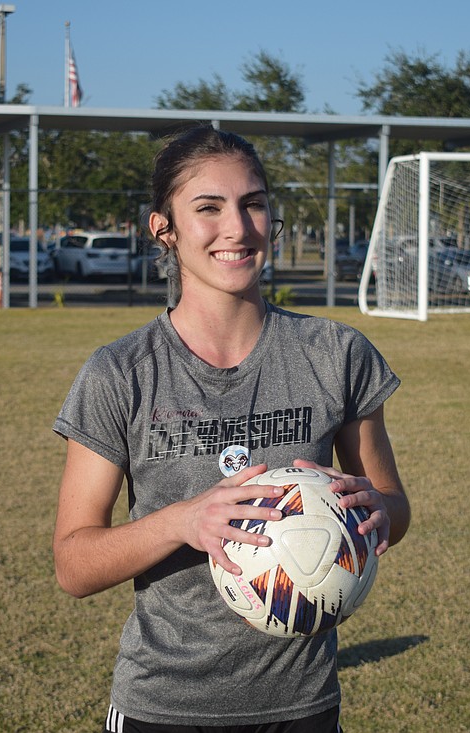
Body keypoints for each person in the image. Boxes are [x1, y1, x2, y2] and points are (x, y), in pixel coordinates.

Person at [52, 125, 410, 733]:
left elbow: (394, 511)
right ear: (162, 228)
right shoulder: (120, 374)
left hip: (304, 706)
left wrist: (372, 507)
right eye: (208, 208)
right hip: (161, 707)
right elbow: (73, 564)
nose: (238, 228)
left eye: (254, 203)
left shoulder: (335, 353)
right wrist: (185, 520)